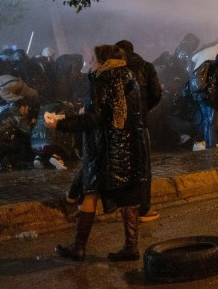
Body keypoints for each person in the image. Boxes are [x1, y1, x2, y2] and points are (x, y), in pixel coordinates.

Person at [49, 44, 147, 262]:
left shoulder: (102, 80)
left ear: (103, 61)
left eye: (93, 58)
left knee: (90, 190)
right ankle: (131, 247)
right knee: (129, 195)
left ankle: (78, 247)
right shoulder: (130, 77)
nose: (90, 62)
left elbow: (95, 118)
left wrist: (61, 124)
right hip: (129, 145)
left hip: (104, 148)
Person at [115, 40, 162, 223]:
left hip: (117, 125)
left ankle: (123, 205)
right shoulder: (146, 67)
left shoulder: (113, 69)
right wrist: (142, 108)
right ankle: (143, 208)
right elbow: (156, 94)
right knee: (142, 166)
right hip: (139, 124)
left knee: (121, 163)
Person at [188, 51, 218, 150]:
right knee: (211, 122)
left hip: (202, 97)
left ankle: (203, 143)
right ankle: (210, 146)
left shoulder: (209, 64)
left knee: (206, 121)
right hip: (210, 97)